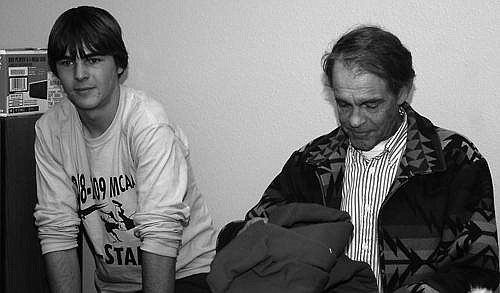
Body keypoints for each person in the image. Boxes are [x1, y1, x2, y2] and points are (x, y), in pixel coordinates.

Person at [217, 25, 499, 292]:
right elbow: (251, 233)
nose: (354, 120)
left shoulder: (454, 160)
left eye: (370, 105)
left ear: (402, 92)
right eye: (343, 104)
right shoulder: (312, 162)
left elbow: (479, 270)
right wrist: (247, 234)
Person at [34, 6, 216, 293]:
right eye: (68, 62)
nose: (80, 74)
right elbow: (57, 230)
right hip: (115, 285)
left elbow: (161, 232)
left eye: (93, 60)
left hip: (185, 274)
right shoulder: (51, 131)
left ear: (119, 65)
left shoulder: (148, 124)